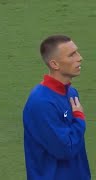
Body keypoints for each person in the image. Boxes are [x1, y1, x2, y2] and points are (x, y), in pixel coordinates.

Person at [22, 34, 91, 179]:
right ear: (55, 64)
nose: (80, 58)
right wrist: (79, 120)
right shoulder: (40, 102)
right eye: (72, 55)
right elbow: (65, 149)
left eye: (77, 52)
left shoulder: (71, 92)